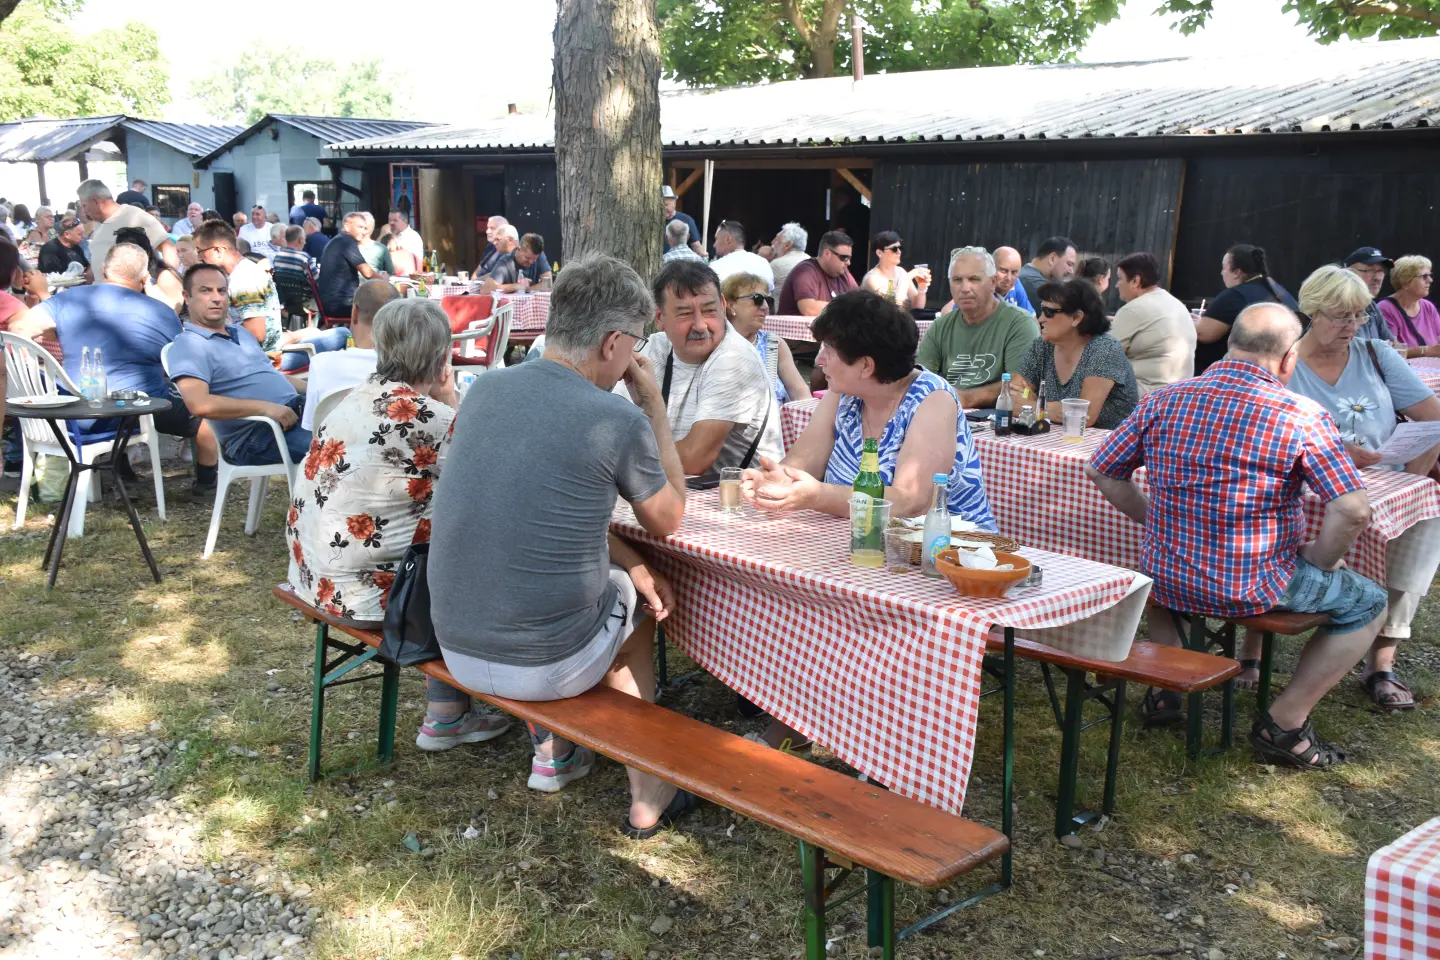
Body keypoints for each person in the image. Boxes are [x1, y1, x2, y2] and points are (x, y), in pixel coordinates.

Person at [430, 253, 696, 836]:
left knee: (624, 582)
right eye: (636, 346)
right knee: (638, 605)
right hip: (540, 664)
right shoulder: (614, 417)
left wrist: (627, 559)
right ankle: (647, 787)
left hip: (454, 645)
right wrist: (651, 402)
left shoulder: (485, 391)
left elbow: (532, 508)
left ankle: (567, 750)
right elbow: (669, 518)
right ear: (613, 344)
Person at [1087, 303, 1385, 770]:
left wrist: (1155, 521)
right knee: (1370, 602)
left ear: (1230, 346)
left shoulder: (1166, 399)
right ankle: (1285, 721)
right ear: (1289, 358)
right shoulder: (1300, 414)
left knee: (1163, 574)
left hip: (1167, 573)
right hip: (1251, 585)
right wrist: (1321, 561)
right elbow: (1352, 509)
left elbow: (1103, 471)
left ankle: (1167, 689)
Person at [1263, 264, 1440, 709]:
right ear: (1311, 311)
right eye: (1340, 315)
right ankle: (1253, 651)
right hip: (1307, 489)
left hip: (1385, 485)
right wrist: (1332, 447)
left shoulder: (1377, 352)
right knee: (1270, 539)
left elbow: (1432, 417)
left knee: (1419, 535)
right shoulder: (1285, 361)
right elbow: (1263, 428)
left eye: (1359, 315)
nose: (1351, 326)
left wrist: (1413, 477)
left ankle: (1381, 663)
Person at [745, 287, 995, 525]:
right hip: (857, 539)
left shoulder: (933, 399)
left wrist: (819, 495)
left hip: (946, 554)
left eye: (828, 350)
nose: (819, 361)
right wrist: (777, 478)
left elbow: (912, 501)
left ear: (866, 366)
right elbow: (803, 460)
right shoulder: (844, 391)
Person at [10, 243, 221, 492]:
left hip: (74, 412)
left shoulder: (69, 299)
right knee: (207, 413)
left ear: (103, 269)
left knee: (119, 387)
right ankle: (207, 484)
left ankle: (122, 469)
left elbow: (18, 328)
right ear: (145, 278)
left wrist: (51, 343)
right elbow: (178, 363)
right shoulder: (160, 312)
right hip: (134, 409)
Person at [639, 259, 783, 482]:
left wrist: (623, 450)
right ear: (660, 319)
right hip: (672, 489)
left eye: (709, 311)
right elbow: (609, 425)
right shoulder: (656, 347)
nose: (700, 325)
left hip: (738, 505)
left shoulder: (735, 357)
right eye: (685, 313)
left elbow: (694, 459)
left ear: (723, 307)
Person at [167, 263, 311, 467]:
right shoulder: (189, 344)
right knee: (342, 448)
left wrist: (316, 390)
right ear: (187, 297)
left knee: (365, 430)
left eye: (222, 290)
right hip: (257, 435)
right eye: (205, 291)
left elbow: (269, 374)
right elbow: (199, 404)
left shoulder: (241, 332)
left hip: (295, 412)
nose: (216, 298)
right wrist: (266, 408)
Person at [194, 220, 349, 373]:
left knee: (342, 335)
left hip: (266, 361)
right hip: (261, 356)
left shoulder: (243, 279)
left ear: (217, 251)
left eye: (200, 251)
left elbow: (255, 337)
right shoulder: (242, 273)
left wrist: (292, 336)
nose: (199, 258)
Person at [917, 246, 1040, 407]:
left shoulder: (1020, 324)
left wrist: (965, 398)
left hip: (998, 422)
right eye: (957, 280)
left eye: (974, 279)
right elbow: (921, 383)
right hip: (947, 414)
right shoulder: (940, 326)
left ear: (993, 282)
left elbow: (1021, 387)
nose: (965, 288)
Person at [1012, 278, 1138, 429]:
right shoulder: (1042, 345)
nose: (1040, 319)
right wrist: (1029, 398)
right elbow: (1012, 397)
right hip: (1056, 440)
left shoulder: (1104, 349)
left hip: (1107, 446)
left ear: (1076, 318)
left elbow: (1084, 416)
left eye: (1049, 312)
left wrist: (1030, 405)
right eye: (1041, 309)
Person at [300, 280, 401, 430]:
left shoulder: (321, 364)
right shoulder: (412, 367)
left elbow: (312, 428)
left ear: (354, 312)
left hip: (335, 451)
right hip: (393, 451)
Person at [1194, 243, 1297, 374]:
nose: (1221, 273)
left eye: (1224, 268)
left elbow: (1204, 334)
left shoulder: (1235, 296)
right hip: (1278, 370)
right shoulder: (1280, 292)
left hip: (1231, 373)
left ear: (1237, 272)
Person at [1110, 251, 1195, 396]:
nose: (1117, 285)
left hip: (1144, 397)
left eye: (1120, 278)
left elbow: (1106, 357)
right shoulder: (1176, 304)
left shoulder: (1133, 310)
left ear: (1135, 281)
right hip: (1179, 394)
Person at [721, 272, 810, 405]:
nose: (765, 307)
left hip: (774, 424)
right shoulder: (716, 343)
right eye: (757, 299)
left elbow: (800, 392)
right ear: (730, 304)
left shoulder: (774, 344)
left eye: (768, 300)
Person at [78, 179, 176, 277]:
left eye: (84, 205)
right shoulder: (97, 223)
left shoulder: (135, 216)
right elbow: (99, 256)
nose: (84, 210)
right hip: (100, 289)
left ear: (96, 201)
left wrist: (168, 280)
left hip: (128, 290)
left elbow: (168, 248)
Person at [776, 230, 857, 316]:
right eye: (844, 257)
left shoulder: (843, 272)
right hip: (798, 328)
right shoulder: (806, 271)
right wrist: (848, 307)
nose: (848, 263)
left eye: (849, 258)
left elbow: (859, 302)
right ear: (827, 253)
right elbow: (809, 309)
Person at [317, 213, 383, 318]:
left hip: (331, 303)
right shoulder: (346, 241)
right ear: (347, 226)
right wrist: (386, 280)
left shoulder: (338, 240)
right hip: (341, 304)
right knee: (383, 306)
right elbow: (368, 273)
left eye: (365, 228)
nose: (364, 231)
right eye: (360, 227)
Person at [1378, 256, 1439, 357]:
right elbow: (1390, 351)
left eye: (1430, 275)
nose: (1430, 280)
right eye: (1424, 276)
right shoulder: (1385, 309)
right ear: (1405, 282)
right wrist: (1425, 350)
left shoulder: (1428, 306)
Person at [860, 230, 930, 310]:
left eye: (900, 248)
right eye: (894, 249)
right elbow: (892, 307)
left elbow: (917, 306)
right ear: (879, 253)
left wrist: (922, 288)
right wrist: (908, 277)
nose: (899, 252)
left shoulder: (901, 272)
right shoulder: (872, 278)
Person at [1342, 246, 1394, 342]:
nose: (1377, 277)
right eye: (1370, 270)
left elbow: (1394, 345)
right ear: (1349, 273)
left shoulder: (1372, 306)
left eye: (1381, 271)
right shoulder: (1340, 307)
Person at [709, 221, 774, 291]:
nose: (714, 245)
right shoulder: (763, 262)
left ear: (728, 239)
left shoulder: (716, 266)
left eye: (716, 239)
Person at [482, 231, 552, 293]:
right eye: (527, 257)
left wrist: (526, 289)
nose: (531, 262)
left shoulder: (539, 255)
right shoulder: (505, 262)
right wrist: (517, 286)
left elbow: (548, 284)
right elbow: (486, 289)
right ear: (518, 249)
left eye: (534, 259)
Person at [1017, 236, 1077, 306]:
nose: (1071, 271)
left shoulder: (1027, 276)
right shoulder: (1035, 284)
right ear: (1052, 258)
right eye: (1069, 264)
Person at [662, 185, 703, 256]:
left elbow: (696, 245)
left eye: (666, 205)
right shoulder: (653, 221)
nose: (663, 208)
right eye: (660, 205)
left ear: (674, 203)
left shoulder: (686, 219)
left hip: (681, 262)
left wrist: (703, 256)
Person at [768, 222, 809, 291]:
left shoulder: (777, 264)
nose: (772, 242)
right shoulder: (812, 261)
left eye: (776, 240)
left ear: (787, 245)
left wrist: (762, 257)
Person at [993, 245, 1033, 314]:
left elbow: (1031, 318)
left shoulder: (1016, 284)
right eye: (1004, 271)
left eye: (1014, 272)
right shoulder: (982, 290)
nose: (1009, 278)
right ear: (992, 268)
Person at [357, 212, 394, 276]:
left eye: (357, 226)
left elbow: (390, 273)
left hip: (375, 284)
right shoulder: (348, 246)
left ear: (365, 229)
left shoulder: (381, 249)